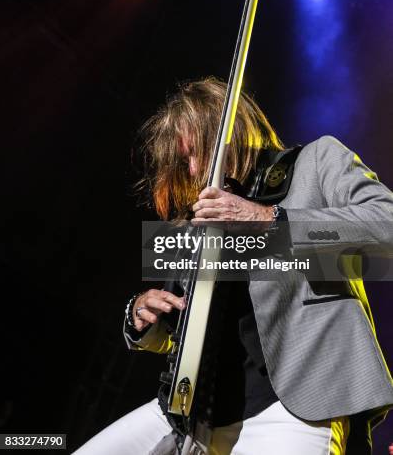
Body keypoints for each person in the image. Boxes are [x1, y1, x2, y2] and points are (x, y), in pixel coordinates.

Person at [74, 77, 393, 455]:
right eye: (183, 160)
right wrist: (142, 314)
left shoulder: (317, 160)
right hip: (189, 411)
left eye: (197, 153)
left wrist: (272, 220)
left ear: (229, 132)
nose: (192, 171)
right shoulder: (196, 219)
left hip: (294, 408)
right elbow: (172, 332)